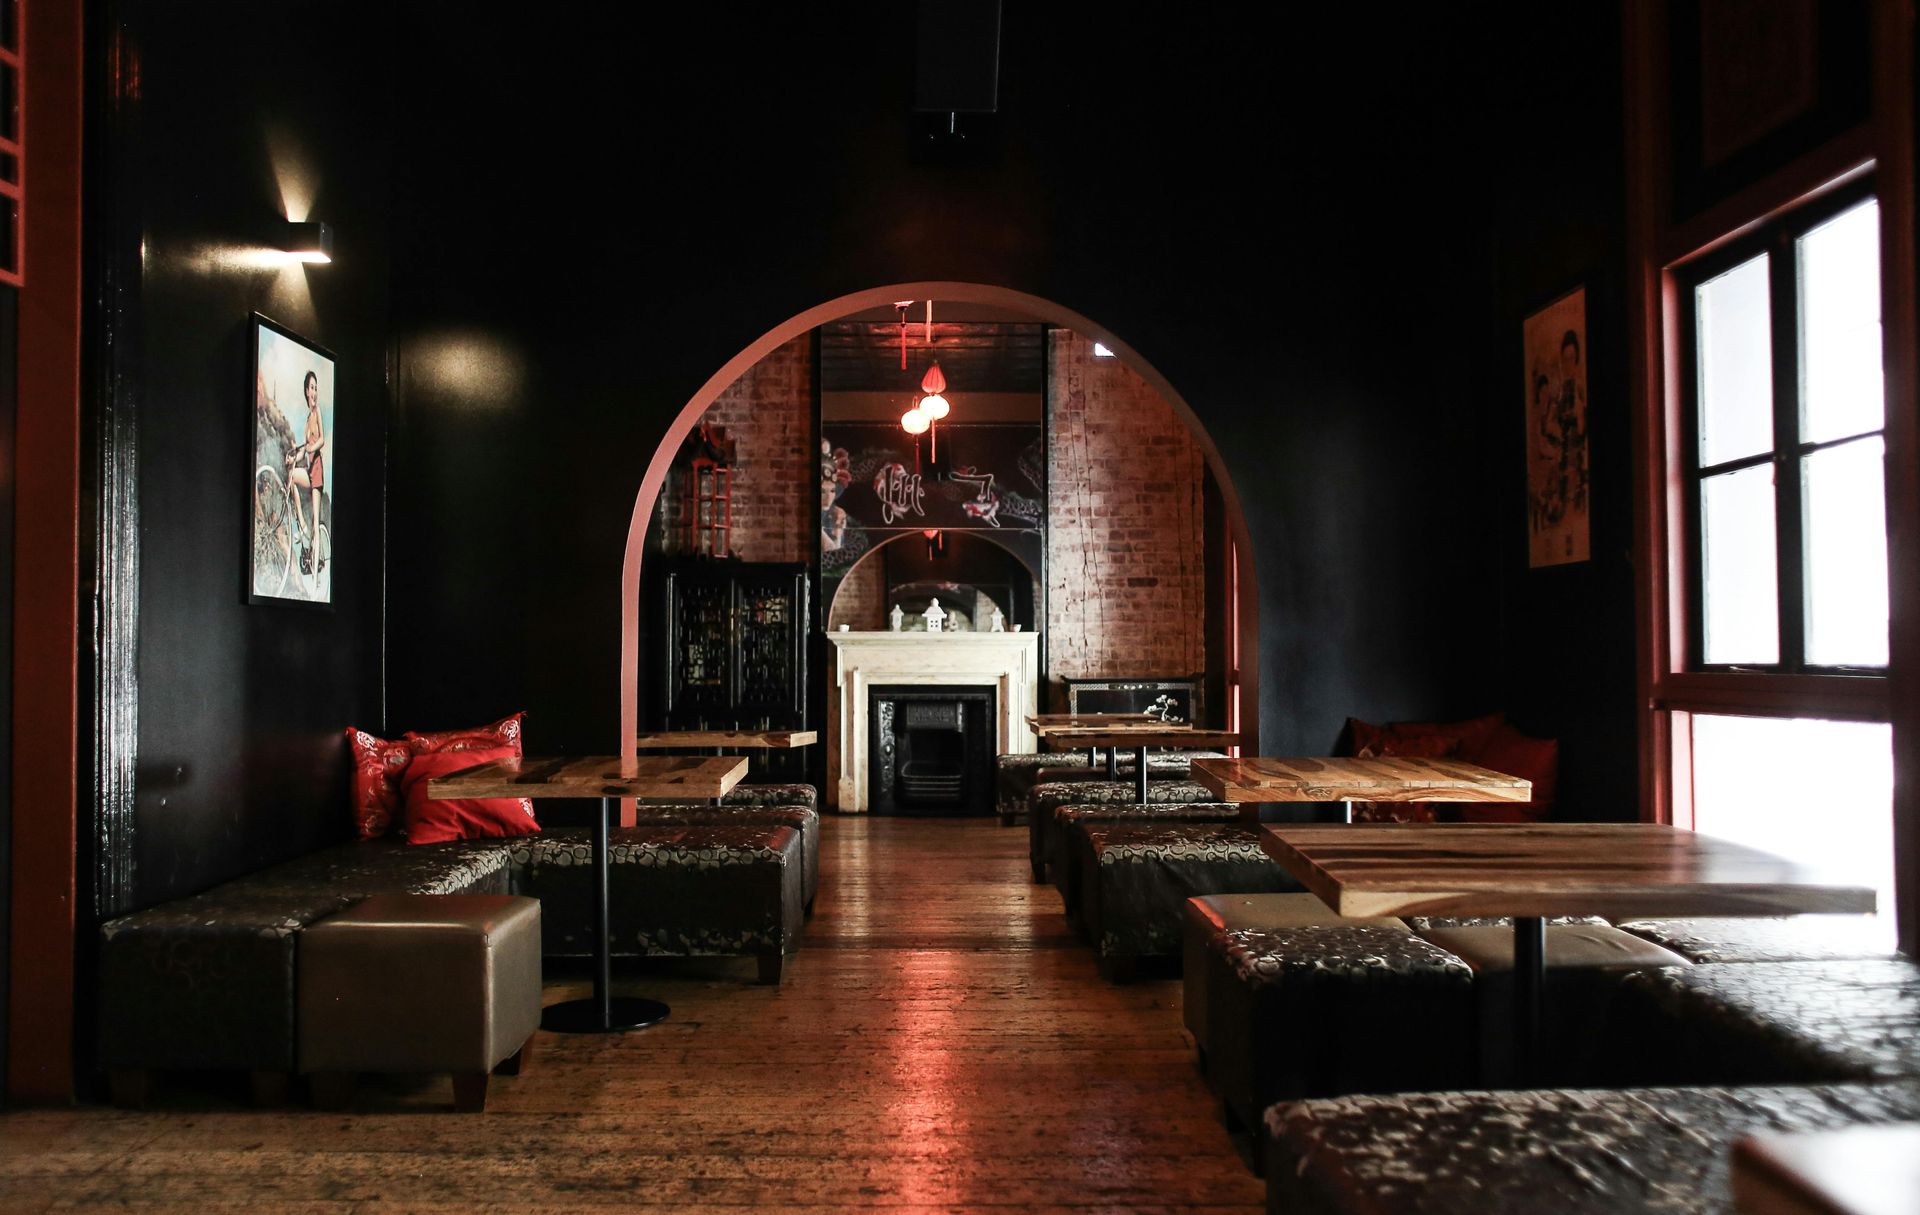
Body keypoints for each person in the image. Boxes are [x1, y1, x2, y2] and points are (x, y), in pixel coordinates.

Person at [284, 370, 327, 576]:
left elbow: (321, 441)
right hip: (309, 469)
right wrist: (294, 458)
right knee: (292, 475)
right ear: (305, 391)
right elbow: (303, 451)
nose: (314, 392)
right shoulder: (306, 420)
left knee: (316, 519)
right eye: (311, 388)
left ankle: (316, 576)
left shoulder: (317, 412)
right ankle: (301, 527)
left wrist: (310, 448)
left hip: (317, 469)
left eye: (316, 388)